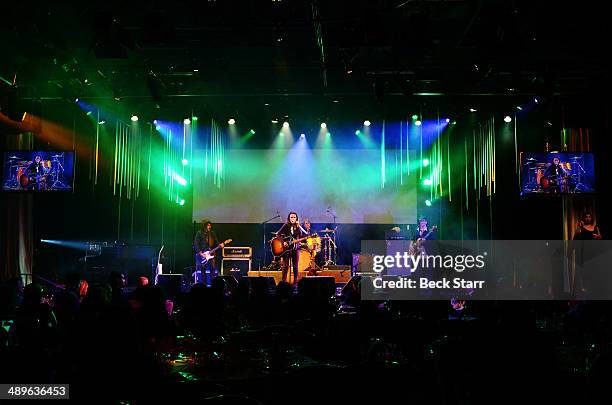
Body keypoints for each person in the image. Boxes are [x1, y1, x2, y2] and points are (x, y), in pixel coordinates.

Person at [276, 212, 307, 284]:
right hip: (286, 249)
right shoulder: (286, 225)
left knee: (295, 266)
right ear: (289, 219)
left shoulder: (298, 227)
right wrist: (283, 242)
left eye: (294, 217)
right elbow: (278, 234)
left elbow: (303, 236)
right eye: (291, 217)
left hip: (296, 248)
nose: (292, 219)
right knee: (285, 266)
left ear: (296, 218)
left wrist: (298, 226)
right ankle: (283, 282)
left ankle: (295, 283)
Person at [194, 219, 224, 286]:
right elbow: (196, 243)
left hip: (211, 254)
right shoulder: (199, 233)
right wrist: (201, 253)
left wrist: (220, 245)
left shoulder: (212, 233)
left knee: (212, 270)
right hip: (202, 255)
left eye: (210, 225)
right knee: (202, 271)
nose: (209, 226)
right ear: (204, 226)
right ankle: (202, 285)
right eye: (208, 225)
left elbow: (216, 243)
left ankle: (212, 285)